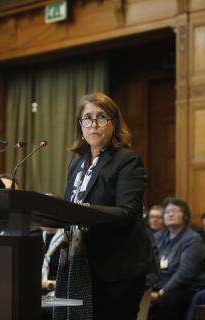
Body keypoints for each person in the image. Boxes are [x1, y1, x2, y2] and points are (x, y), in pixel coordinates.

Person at [54, 92, 154, 320]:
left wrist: (83, 211)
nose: (94, 124)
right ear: (81, 125)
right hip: (80, 265)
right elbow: (69, 207)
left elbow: (127, 212)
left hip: (118, 269)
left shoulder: (127, 160)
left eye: (101, 117)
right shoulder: (76, 164)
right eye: (87, 118)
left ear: (114, 123)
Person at [149, 198, 205, 320]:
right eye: (167, 212)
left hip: (184, 288)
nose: (170, 214)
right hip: (159, 285)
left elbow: (185, 273)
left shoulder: (193, 239)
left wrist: (161, 292)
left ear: (185, 216)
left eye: (175, 211)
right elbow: (148, 264)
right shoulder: (158, 236)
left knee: (167, 300)